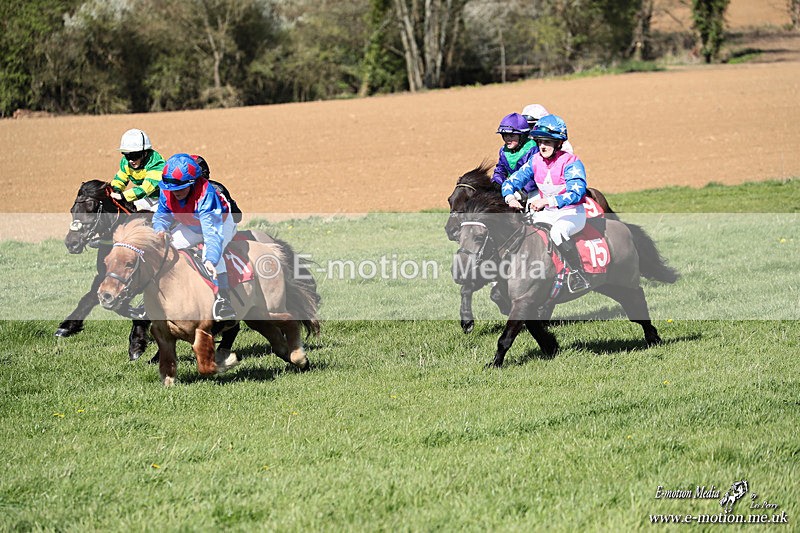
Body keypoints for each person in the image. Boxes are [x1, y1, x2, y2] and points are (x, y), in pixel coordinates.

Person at [501, 114, 590, 292]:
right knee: (525, 232)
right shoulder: (535, 161)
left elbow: (577, 191)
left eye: (548, 142)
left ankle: (578, 274)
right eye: (540, 141)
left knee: (557, 233)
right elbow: (510, 182)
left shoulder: (572, 162)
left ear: (558, 143)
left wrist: (547, 201)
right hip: (547, 212)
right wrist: (510, 198)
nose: (542, 146)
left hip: (571, 213)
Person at [153, 153, 237, 320]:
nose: (175, 192)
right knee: (164, 251)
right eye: (171, 189)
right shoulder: (167, 190)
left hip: (220, 224)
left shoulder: (206, 194)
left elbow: (211, 232)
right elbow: (162, 216)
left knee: (210, 255)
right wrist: (160, 229)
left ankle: (224, 300)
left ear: (192, 183)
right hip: (191, 224)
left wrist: (211, 259)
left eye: (180, 188)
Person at [110, 128, 165, 212]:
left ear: (145, 153)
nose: (131, 160)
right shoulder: (126, 162)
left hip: (165, 198)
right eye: (127, 156)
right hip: (147, 198)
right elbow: (120, 179)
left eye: (135, 155)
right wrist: (116, 190)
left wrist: (123, 196)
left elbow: (146, 188)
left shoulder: (156, 163)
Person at [491, 113, 539, 198]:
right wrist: (496, 182)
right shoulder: (503, 151)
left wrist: (521, 191)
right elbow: (500, 170)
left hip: (531, 191)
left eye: (512, 135)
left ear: (522, 136)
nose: (507, 139)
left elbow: (534, 176)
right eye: (505, 135)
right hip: (510, 188)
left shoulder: (533, 149)